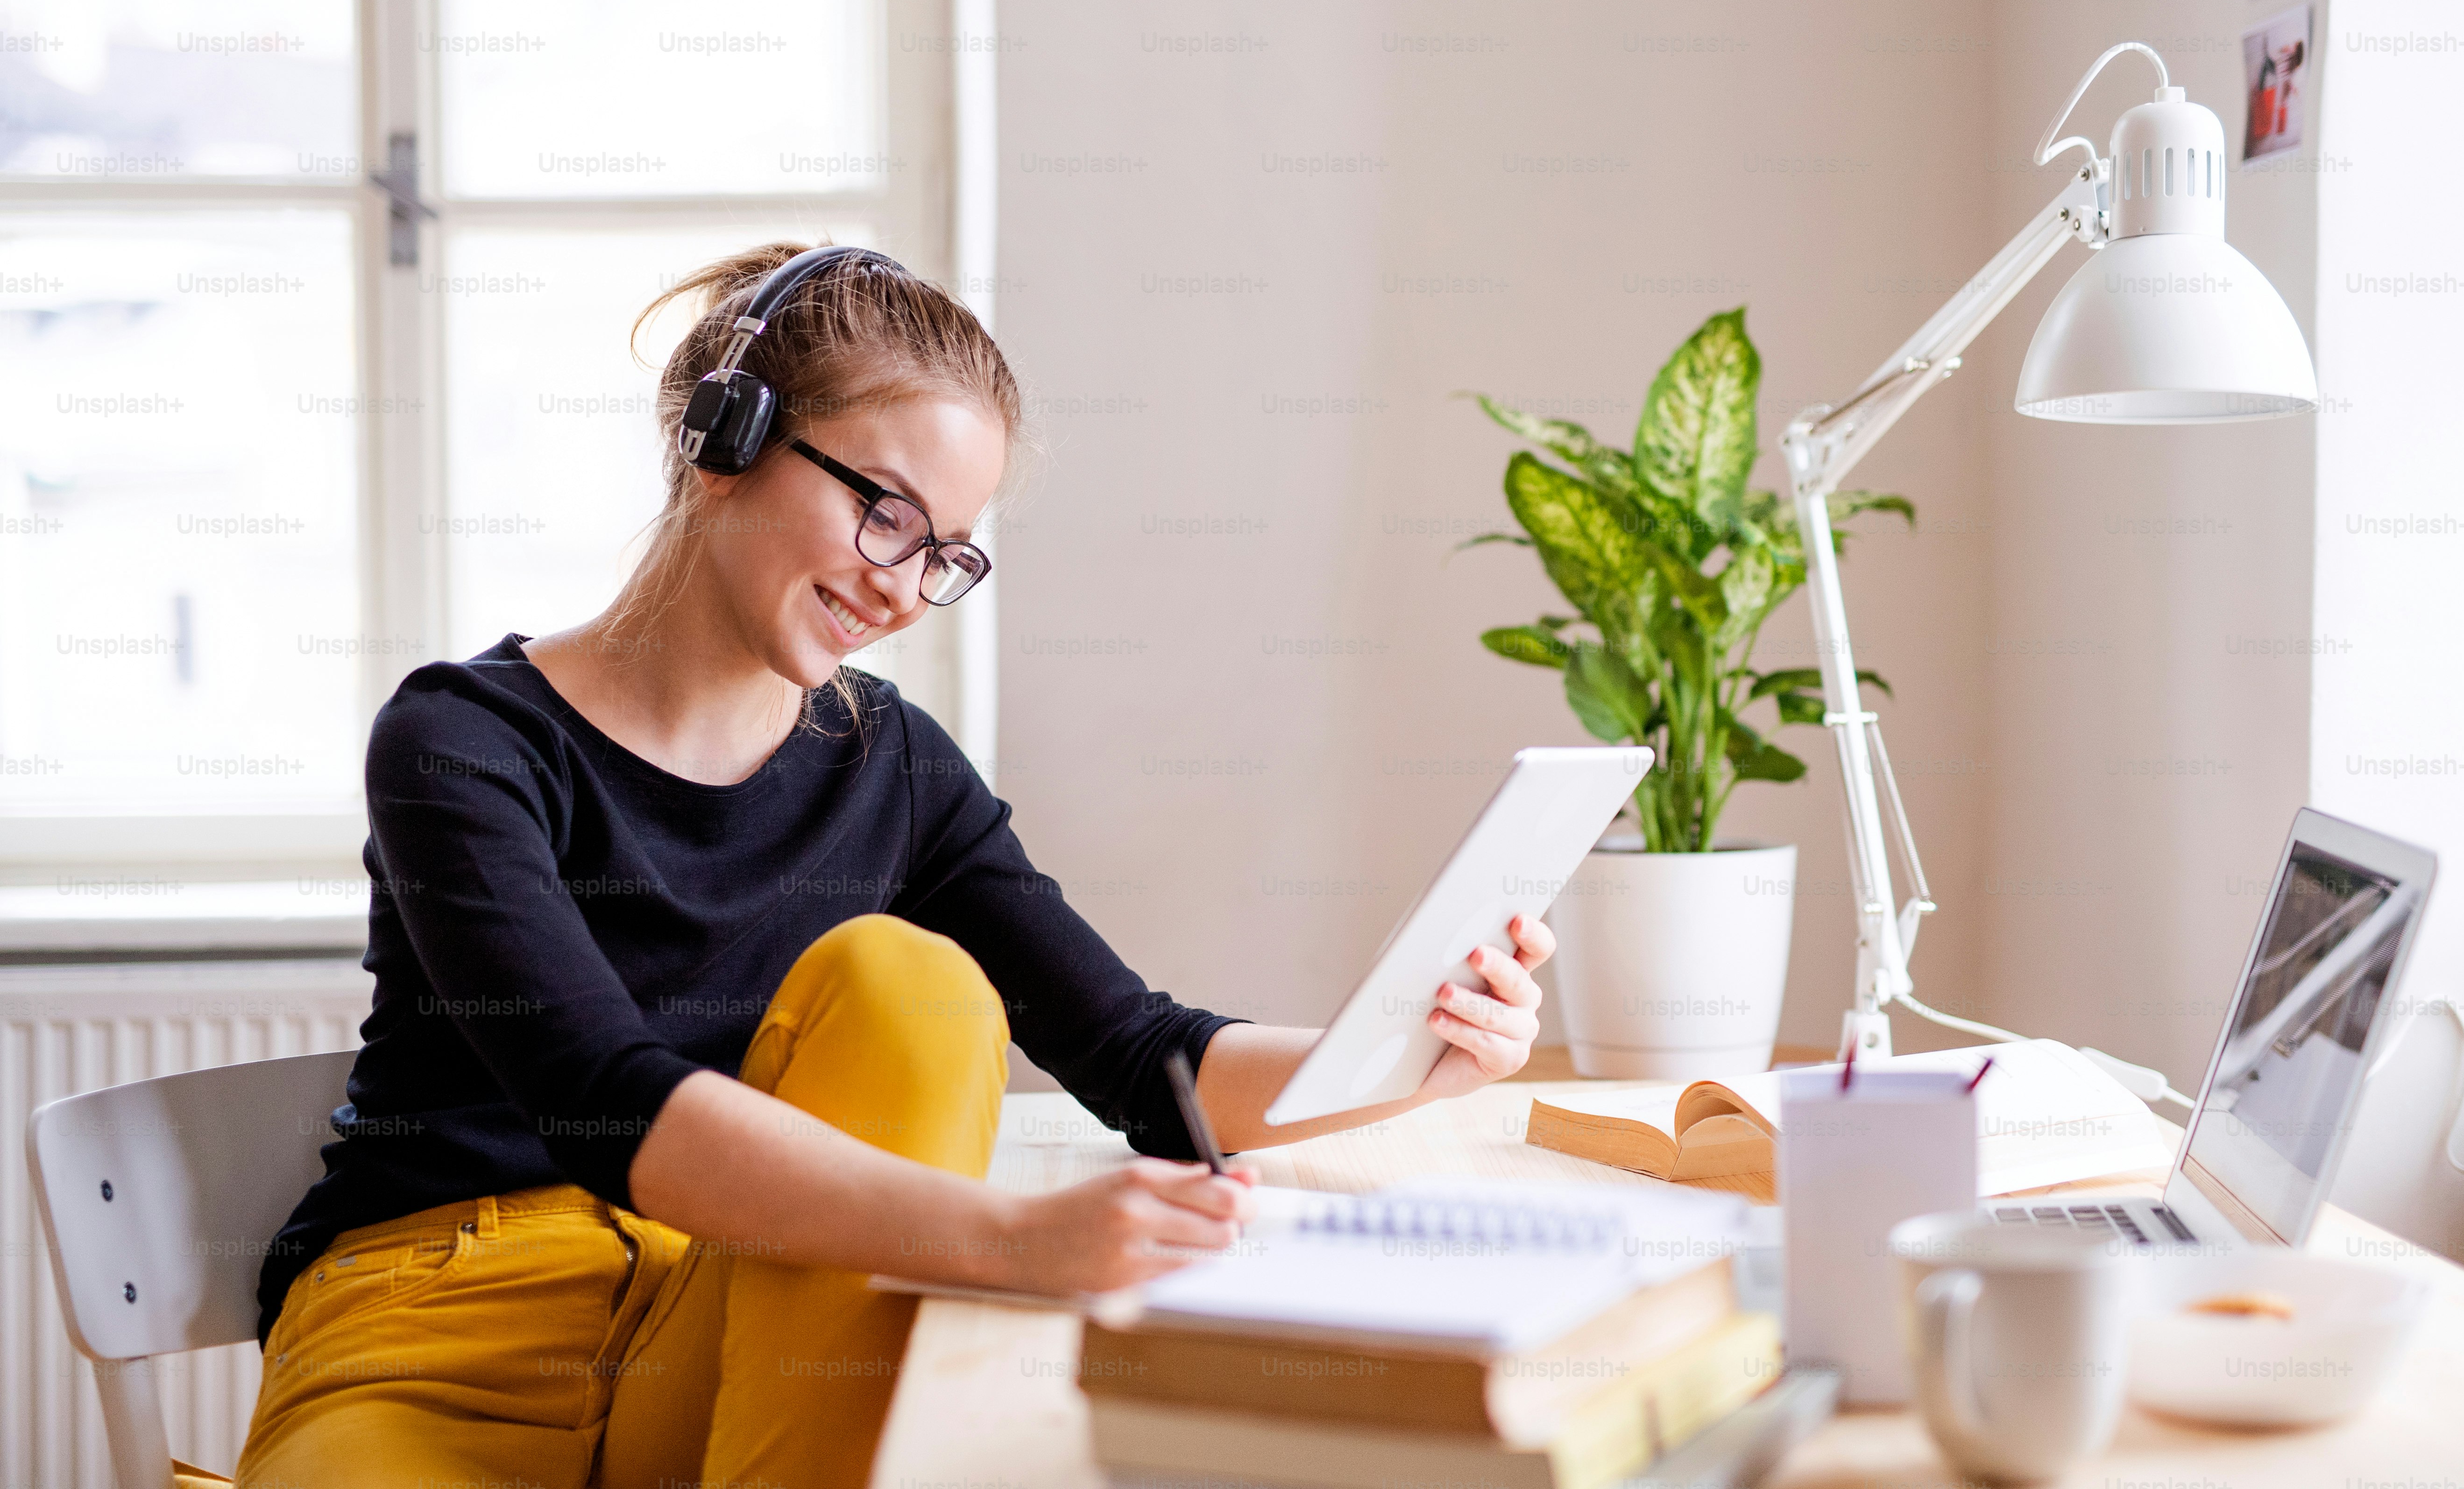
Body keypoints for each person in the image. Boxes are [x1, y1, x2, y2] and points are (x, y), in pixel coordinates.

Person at [230, 244, 1558, 1488]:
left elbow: (1146, 1057)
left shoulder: (896, 768)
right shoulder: (466, 739)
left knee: (903, 982)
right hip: (440, 1323)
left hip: (733, 1314)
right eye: (884, 513)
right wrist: (1012, 1242)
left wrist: (1410, 1051)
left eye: (946, 552)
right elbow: (598, 1095)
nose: (905, 588)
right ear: (722, 441)